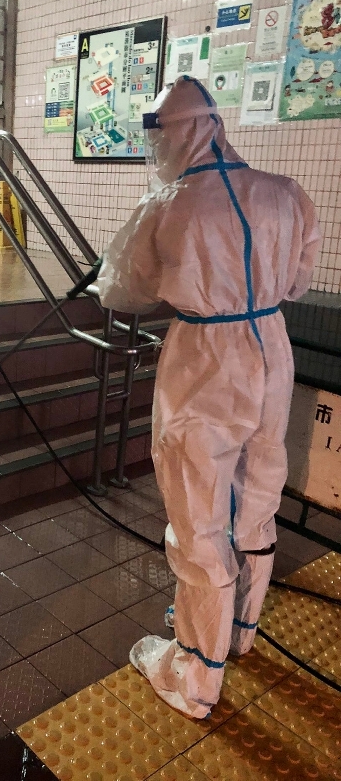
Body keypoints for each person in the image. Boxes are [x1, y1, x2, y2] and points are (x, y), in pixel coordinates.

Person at [96, 76, 320, 719]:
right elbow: (299, 282)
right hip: (270, 345)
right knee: (257, 492)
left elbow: (121, 290)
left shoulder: (169, 204)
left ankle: (196, 672)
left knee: (197, 511)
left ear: (177, 133)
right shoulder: (286, 193)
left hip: (204, 358)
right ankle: (240, 630)